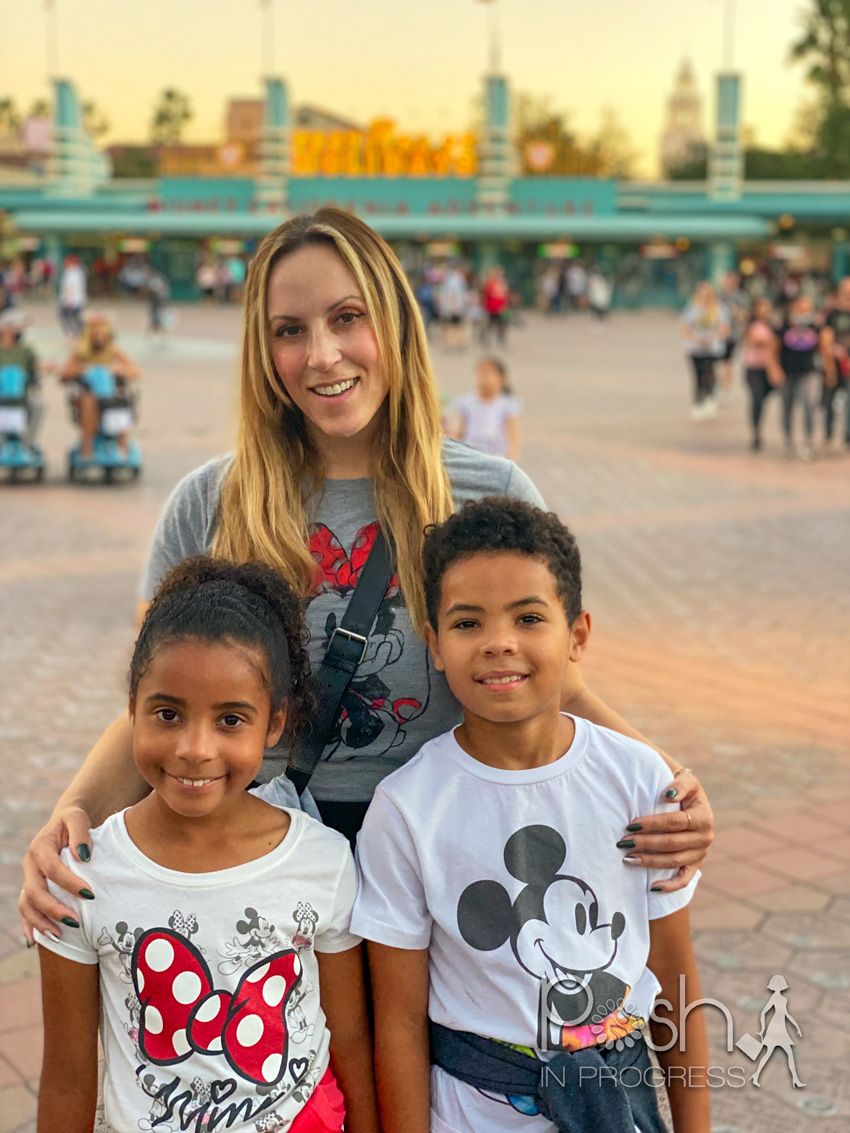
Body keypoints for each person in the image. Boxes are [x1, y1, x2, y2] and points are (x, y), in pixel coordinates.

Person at [20, 208, 713, 944]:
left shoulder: (491, 492)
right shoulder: (209, 504)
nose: (322, 355)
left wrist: (664, 781)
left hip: (439, 858)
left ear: (396, 323)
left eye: (347, 318)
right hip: (261, 868)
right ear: (263, 351)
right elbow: (154, 702)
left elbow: (553, 684)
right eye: (290, 330)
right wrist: (71, 815)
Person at [354, 498, 710, 1133]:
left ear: (578, 636)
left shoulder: (638, 779)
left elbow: (674, 981)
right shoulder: (406, 810)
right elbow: (400, 1022)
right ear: (434, 644)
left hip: (619, 1107)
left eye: (528, 617)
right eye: (468, 623)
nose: (499, 643)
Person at [36, 557, 379, 1133]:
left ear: (275, 723)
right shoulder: (81, 875)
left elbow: (350, 1042)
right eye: (168, 713)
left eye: (230, 720)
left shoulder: (321, 860)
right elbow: (67, 1077)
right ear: (131, 707)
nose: (195, 749)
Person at [59, 311, 140, 458]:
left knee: (121, 401)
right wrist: (81, 370)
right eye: (95, 334)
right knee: (89, 402)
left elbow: (135, 372)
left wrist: (118, 369)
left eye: (102, 333)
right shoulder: (81, 353)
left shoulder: (113, 351)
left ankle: (122, 445)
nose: (99, 337)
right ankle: (87, 446)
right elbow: (64, 375)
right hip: (90, 394)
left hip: (111, 394)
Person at [778, 293, 822, 460]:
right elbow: (775, 347)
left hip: (808, 371)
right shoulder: (784, 326)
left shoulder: (815, 326)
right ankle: (788, 440)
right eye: (801, 307)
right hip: (788, 372)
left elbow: (823, 346)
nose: (804, 311)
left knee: (809, 405)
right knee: (787, 406)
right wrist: (775, 369)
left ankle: (808, 441)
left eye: (807, 308)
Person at [452, 356, 520, 461]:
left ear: (501, 379)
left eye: (489, 373)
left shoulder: (507, 405)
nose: (484, 378)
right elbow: (459, 432)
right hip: (471, 456)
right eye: (481, 373)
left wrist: (511, 458)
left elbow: (513, 435)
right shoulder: (466, 402)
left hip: (497, 458)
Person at [680, 281, 730, 420]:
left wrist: (713, 337)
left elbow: (725, 327)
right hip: (695, 348)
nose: (705, 298)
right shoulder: (691, 309)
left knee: (709, 373)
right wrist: (695, 338)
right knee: (697, 376)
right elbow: (684, 326)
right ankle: (698, 402)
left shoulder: (719, 309)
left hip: (713, 349)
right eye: (702, 295)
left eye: (708, 295)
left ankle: (710, 398)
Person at [742, 297, 782, 452]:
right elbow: (753, 340)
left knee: (768, 397)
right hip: (754, 368)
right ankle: (756, 432)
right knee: (757, 399)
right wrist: (769, 342)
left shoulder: (773, 326)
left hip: (769, 368)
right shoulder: (751, 325)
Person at [0, 308, 43, 446]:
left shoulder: (26, 350)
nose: (20, 330)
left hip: (21, 397)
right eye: (16, 327)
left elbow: (37, 368)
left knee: (38, 404)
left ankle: (28, 443)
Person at [820, 276, 850, 451]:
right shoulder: (832, 314)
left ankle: (848, 436)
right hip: (833, 364)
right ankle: (828, 430)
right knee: (829, 400)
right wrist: (834, 350)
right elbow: (825, 337)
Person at [718, 270, 750, 400]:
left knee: (727, 363)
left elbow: (746, 316)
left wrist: (735, 311)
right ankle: (717, 386)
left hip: (732, 335)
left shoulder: (741, 297)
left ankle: (726, 389)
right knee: (716, 364)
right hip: (717, 335)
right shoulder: (718, 295)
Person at [58, 254, 88, 338]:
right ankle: (79, 333)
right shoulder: (79, 272)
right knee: (77, 318)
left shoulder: (71, 273)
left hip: (72, 301)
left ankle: (72, 334)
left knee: (68, 318)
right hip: (78, 300)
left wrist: (69, 301)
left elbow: (71, 287)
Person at [481, 265, 510, 347]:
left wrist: (505, 306)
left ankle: (501, 340)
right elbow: (485, 295)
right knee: (490, 324)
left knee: (502, 324)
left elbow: (505, 296)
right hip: (492, 307)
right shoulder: (489, 283)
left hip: (499, 307)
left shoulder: (502, 284)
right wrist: (485, 306)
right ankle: (486, 339)